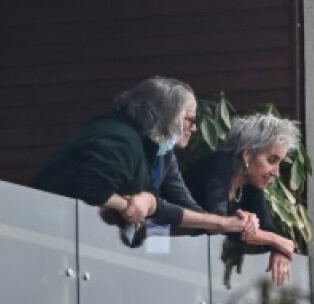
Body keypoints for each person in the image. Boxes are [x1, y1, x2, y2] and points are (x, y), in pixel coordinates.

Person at [31, 77, 252, 236]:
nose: (194, 128)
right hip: (50, 231)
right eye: (190, 120)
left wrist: (223, 224)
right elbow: (93, 190)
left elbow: (176, 212)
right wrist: (135, 204)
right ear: (168, 115)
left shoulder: (156, 152)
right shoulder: (121, 141)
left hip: (92, 238)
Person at [184, 113, 300, 285]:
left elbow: (269, 227)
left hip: (196, 264)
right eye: (271, 160)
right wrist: (276, 241)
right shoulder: (219, 164)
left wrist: (281, 251)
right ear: (247, 155)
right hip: (161, 247)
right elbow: (220, 224)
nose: (276, 172)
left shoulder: (250, 185)